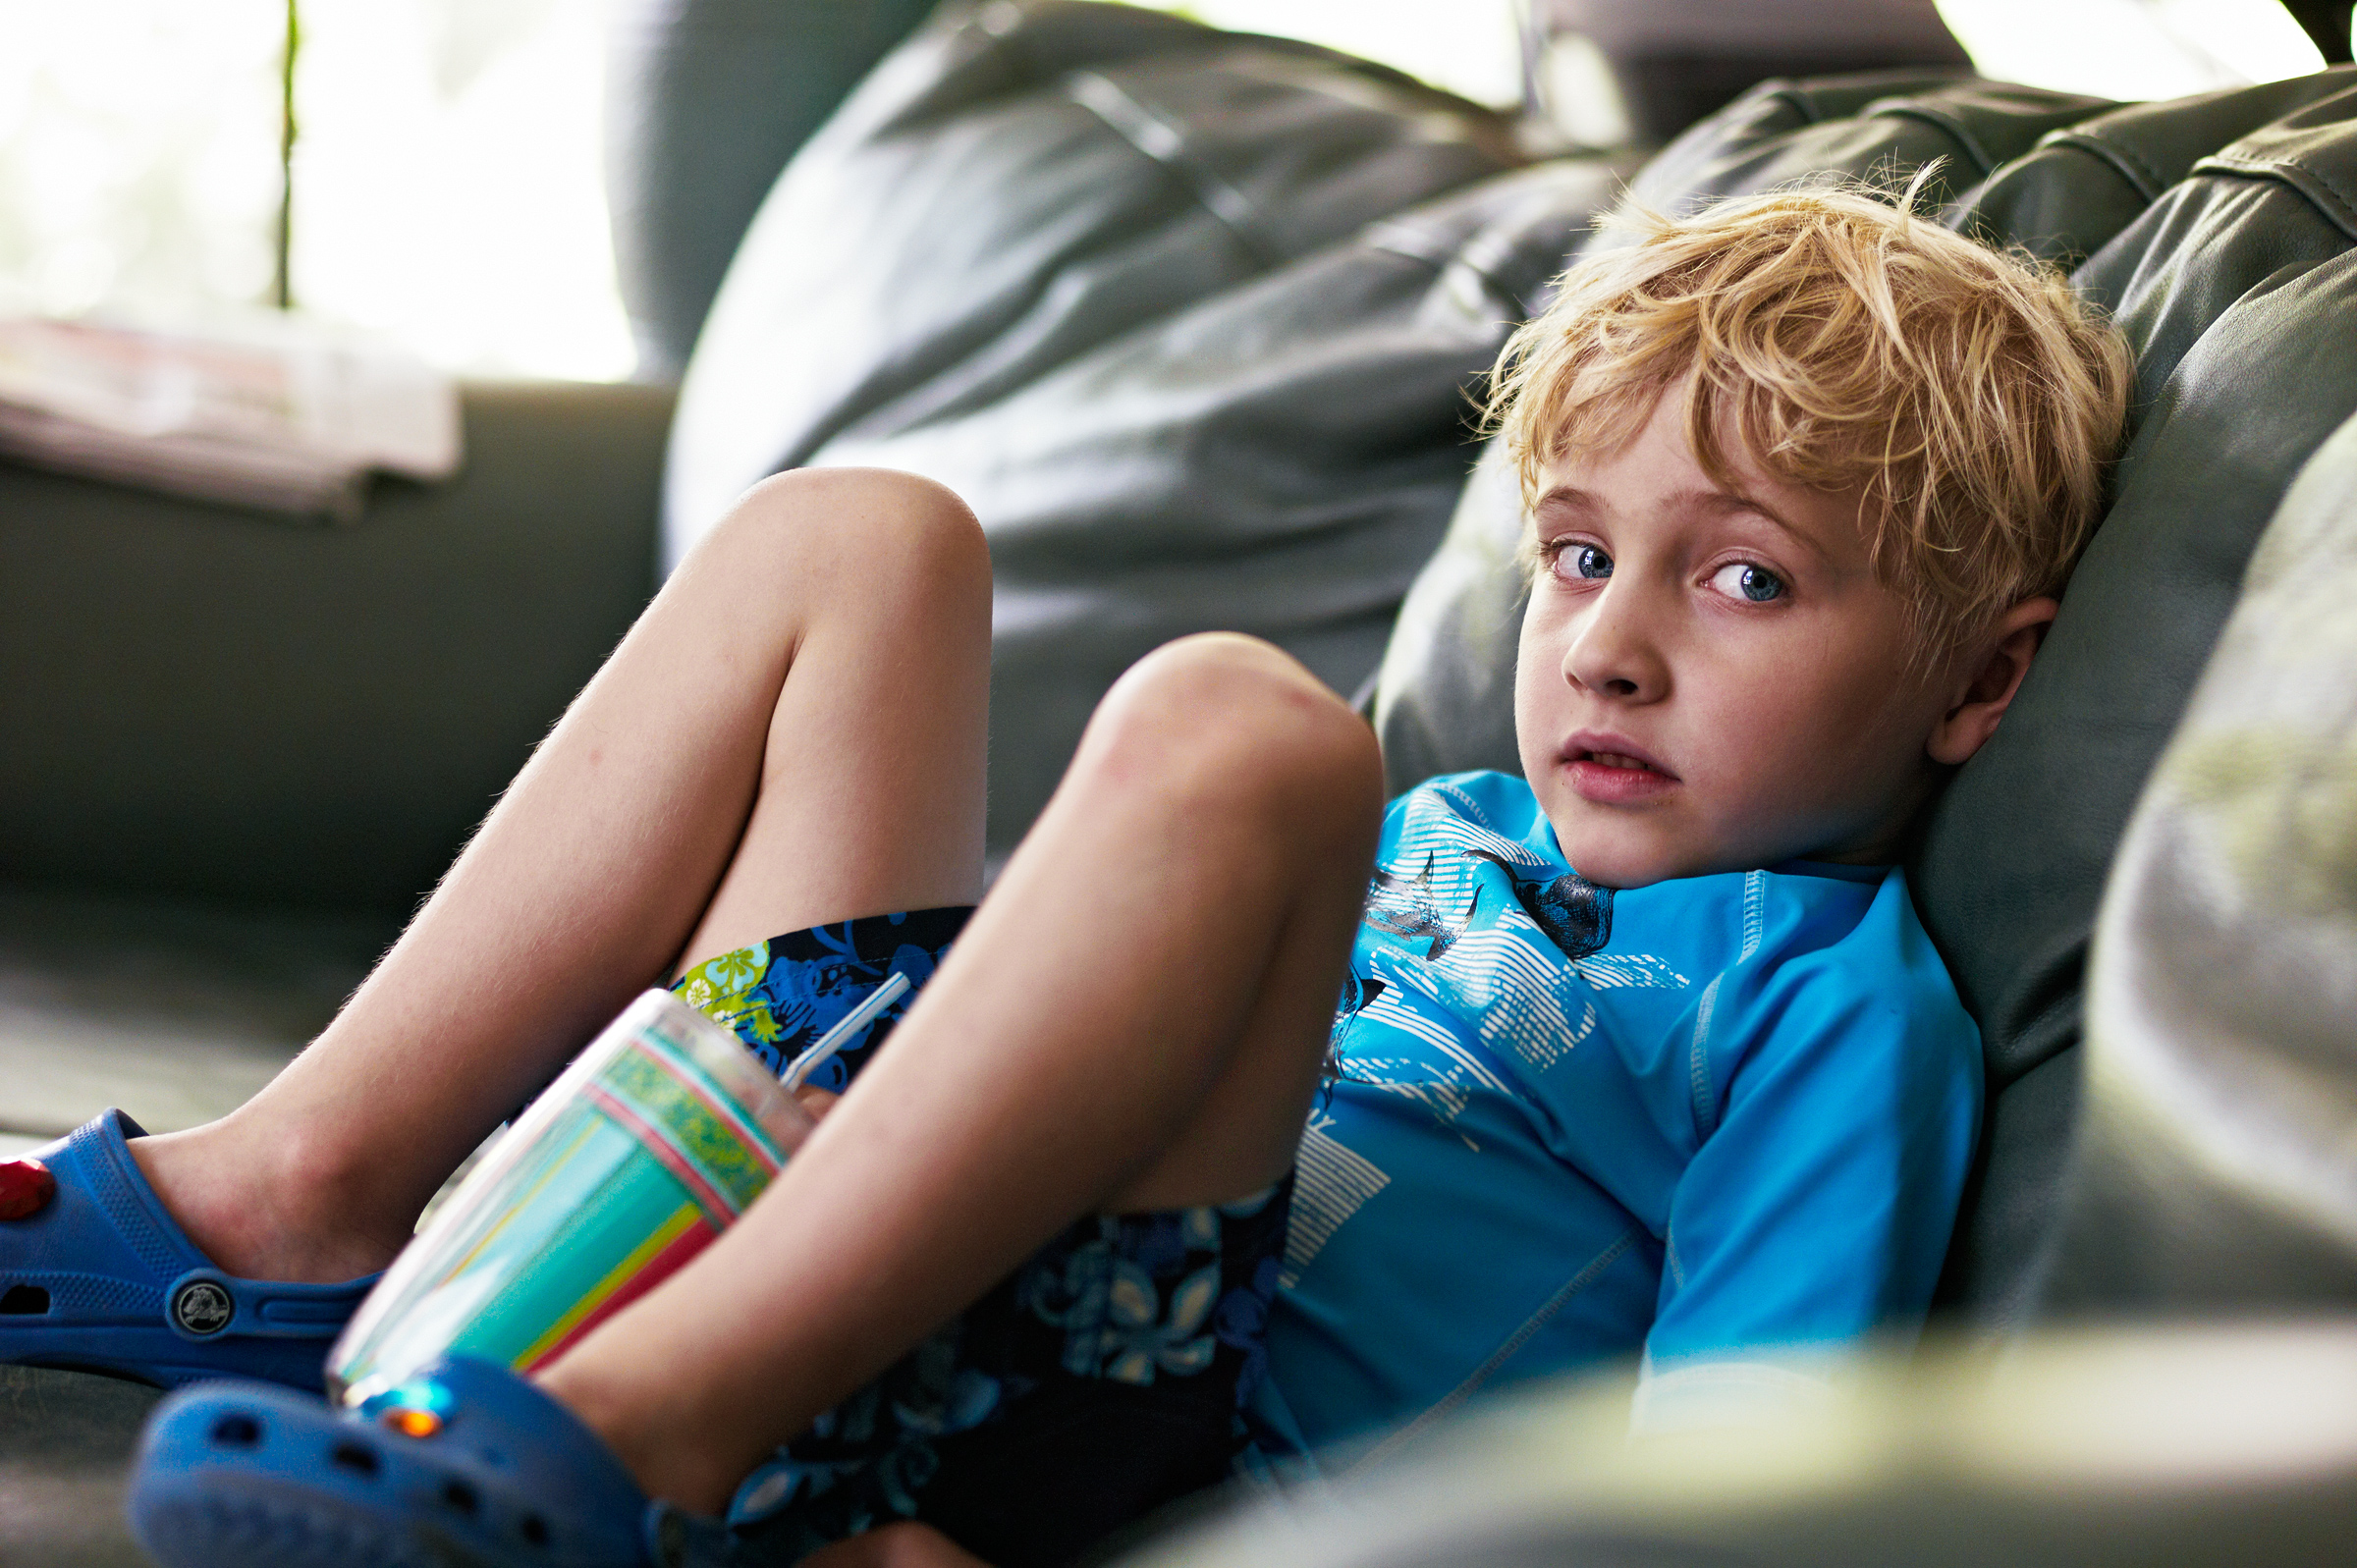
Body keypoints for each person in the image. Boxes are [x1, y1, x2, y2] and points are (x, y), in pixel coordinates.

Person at [0, 184, 2128, 1568]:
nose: (1609, 639)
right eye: (1577, 552)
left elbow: (1724, 1504)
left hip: (1111, 1434)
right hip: (863, 1234)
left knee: (1248, 728)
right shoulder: (1456, 834)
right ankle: (288, 1206)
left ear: (1980, 677)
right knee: (858, 538)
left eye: (1742, 577)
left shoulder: (1828, 1004)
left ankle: (639, 1423)